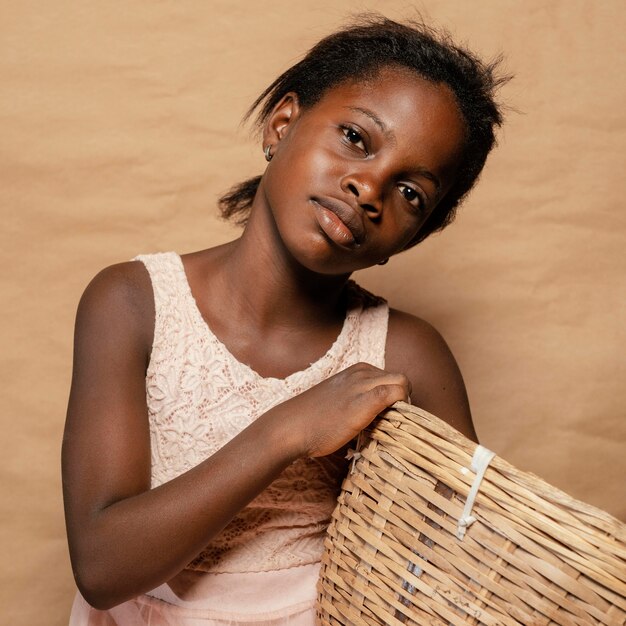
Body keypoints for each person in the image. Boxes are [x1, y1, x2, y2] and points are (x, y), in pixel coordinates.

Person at [62, 15, 507, 626]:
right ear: (282, 124)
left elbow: (458, 570)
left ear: (413, 237)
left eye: (411, 194)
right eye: (356, 136)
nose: (369, 187)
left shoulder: (407, 355)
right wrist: (288, 432)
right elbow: (102, 568)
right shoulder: (132, 303)